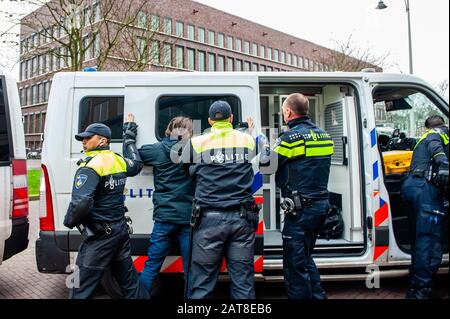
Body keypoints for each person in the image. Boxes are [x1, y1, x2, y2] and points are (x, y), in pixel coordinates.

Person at [182, 100, 260, 299]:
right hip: (242, 219)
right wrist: (251, 132)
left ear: (209, 120)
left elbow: (187, 171)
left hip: (208, 220)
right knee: (243, 282)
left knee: (202, 283)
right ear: (231, 118)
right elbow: (265, 155)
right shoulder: (248, 140)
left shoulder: (196, 142)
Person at [63, 115, 148, 299]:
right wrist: (129, 137)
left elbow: (81, 203)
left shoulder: (90, 166)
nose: (84, 141)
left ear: (102, 140)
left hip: (100, 237)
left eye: (88, 137)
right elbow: (137, 164)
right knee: (130, 283)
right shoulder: (117, 160)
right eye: (83, 138)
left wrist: (69, 221)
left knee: (79, 286)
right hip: (119, 231)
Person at [273, 93, 334, 299]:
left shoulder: (290, 138)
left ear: (288, 112)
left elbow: (266, 165)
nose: (283, 114)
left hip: (300, 211)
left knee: (294, 265)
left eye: (283, 110)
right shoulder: (324, 135)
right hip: (320, 207)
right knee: (305, 257)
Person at [137, 116, 195, 296]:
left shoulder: (156, 150)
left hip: (164, 219)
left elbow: (132, 156)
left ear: (168, 130)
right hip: (187, 220)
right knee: (191, 269)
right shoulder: (195, 151)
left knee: (151, 265)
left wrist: (129, 134)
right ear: (189, 132)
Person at [401, 115, 449, 299]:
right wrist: (443, 163)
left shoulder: (423, 137)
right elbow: (435, 144)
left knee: (418, 239)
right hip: (426, 190)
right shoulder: (439, 132)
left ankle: (415, 284)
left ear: (425, 126)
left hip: (412, 187)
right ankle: (421, 292)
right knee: (429, 243)